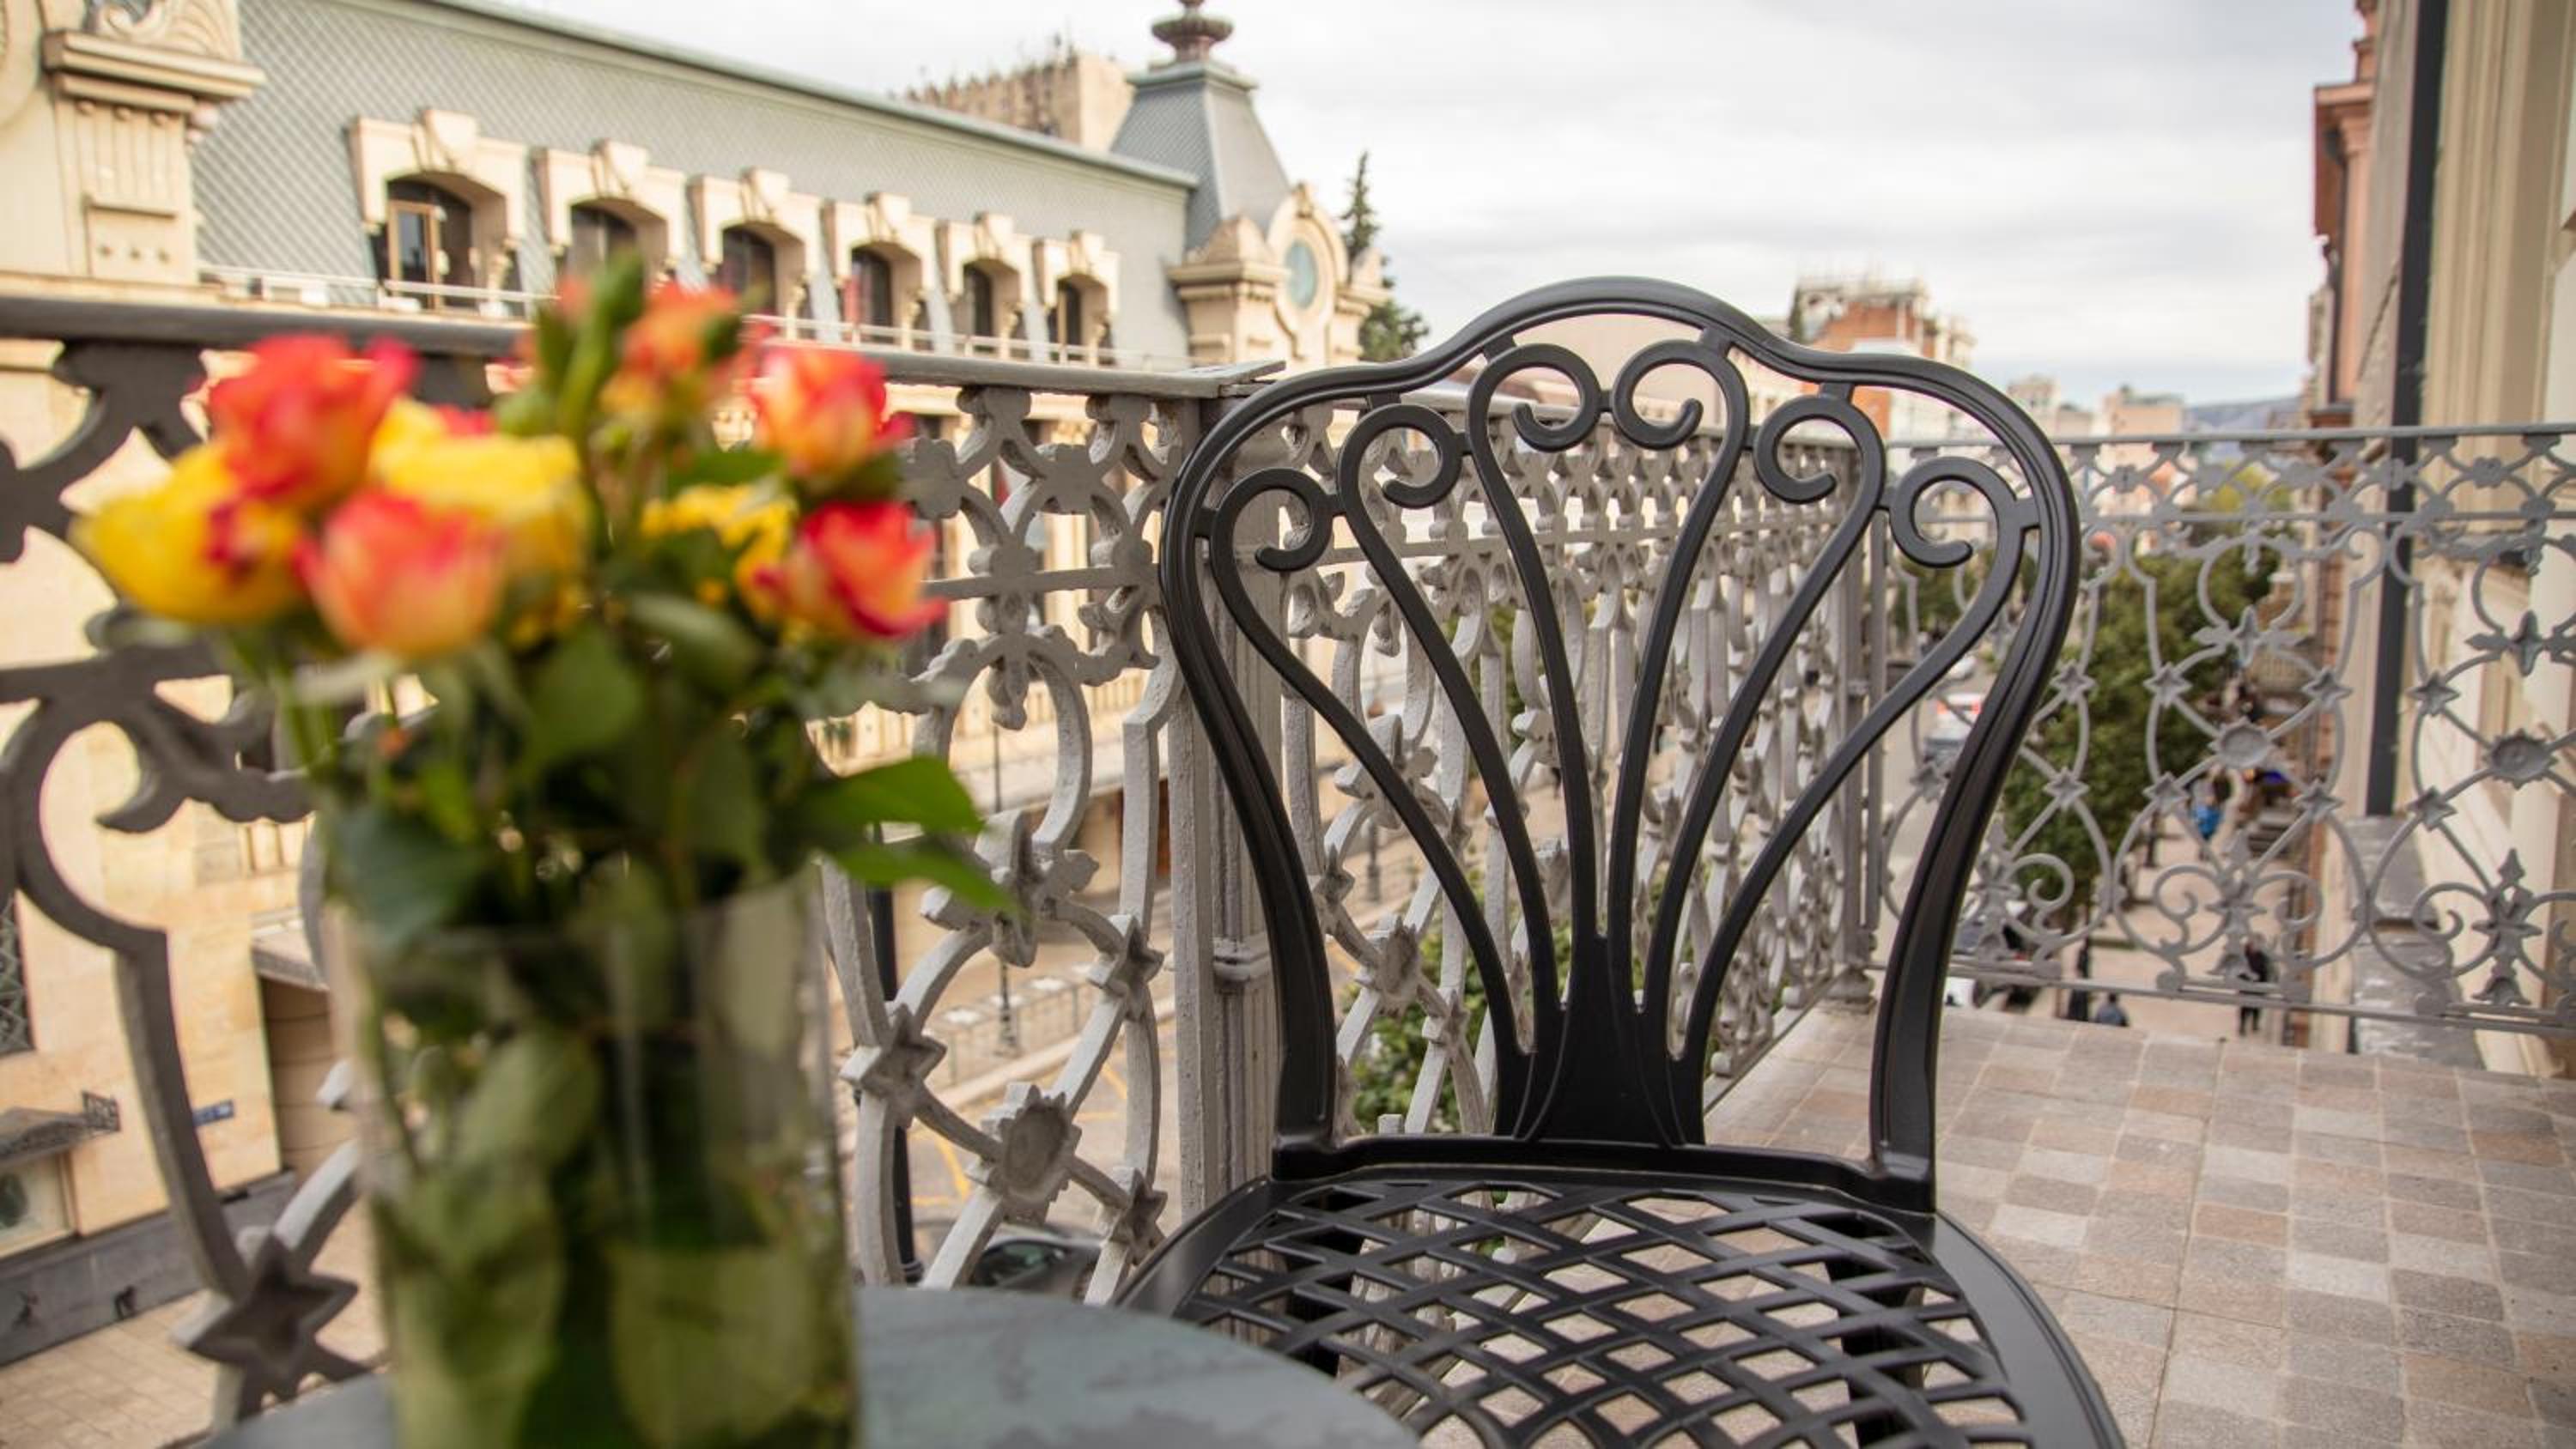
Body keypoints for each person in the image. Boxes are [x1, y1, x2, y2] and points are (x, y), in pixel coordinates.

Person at [2237, 940, 2273, 1037]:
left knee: (2257, 1008)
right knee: (2245, 1009)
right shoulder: (2243, 956)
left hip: (2258, 987)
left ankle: (2255, 1024)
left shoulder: (2263, 957)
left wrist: (2265, 988)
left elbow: (2266, 972)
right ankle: (2242, 1027)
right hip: (2246, 987)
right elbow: (2239, 971)